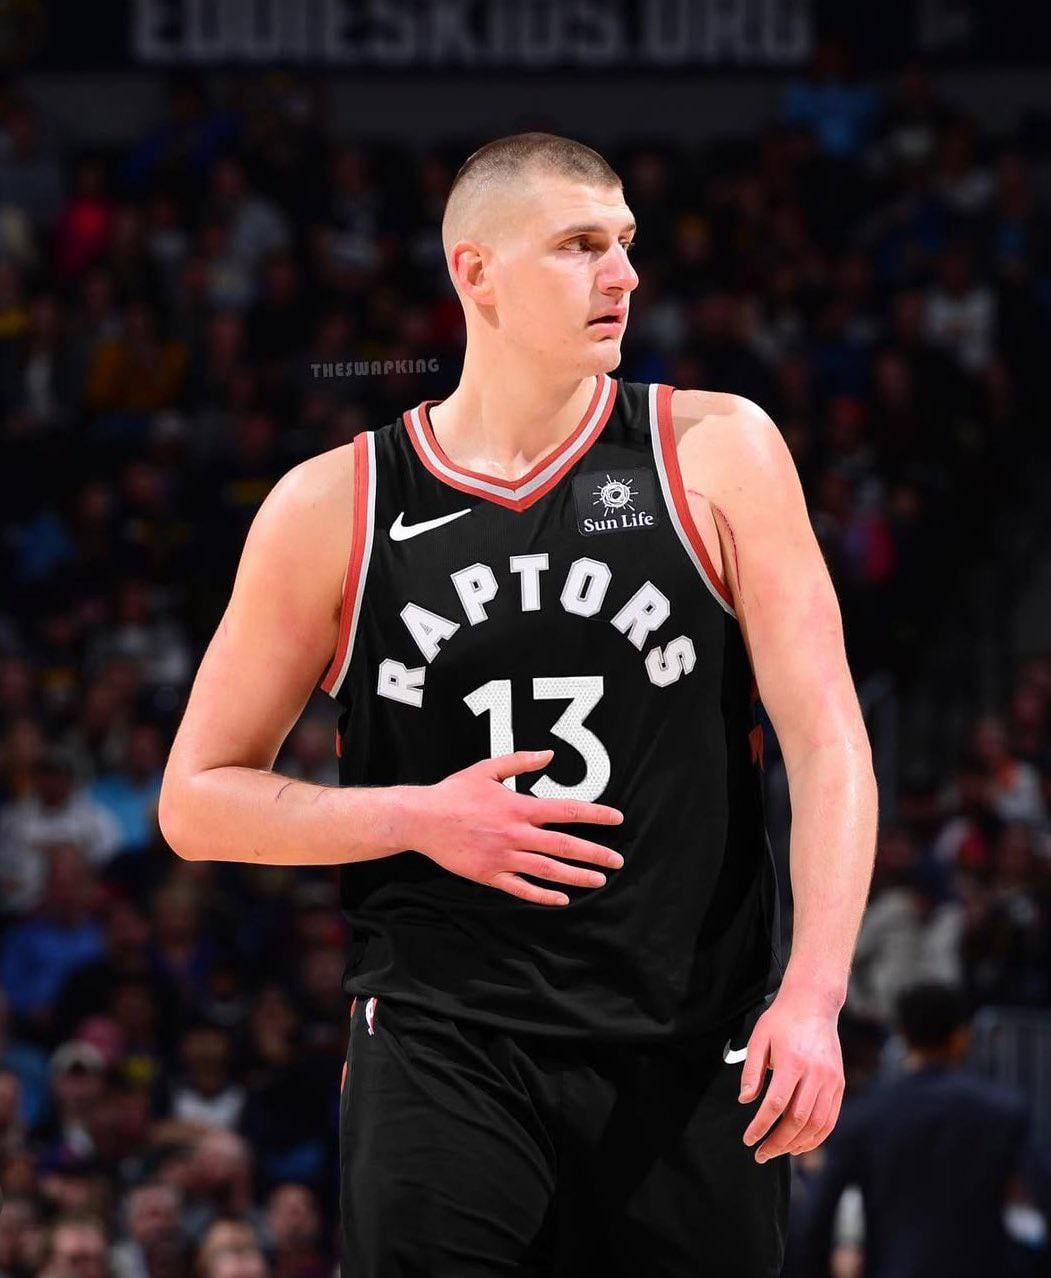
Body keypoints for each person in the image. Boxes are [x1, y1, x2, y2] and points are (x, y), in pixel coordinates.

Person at [159, 132, 878, 1276]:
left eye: (626, 243)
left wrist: (814, 994)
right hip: (442, 1044)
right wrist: (415, 816)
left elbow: (828, 741)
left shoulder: (716, 451)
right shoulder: (336, 504)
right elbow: (196, 800)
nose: (623, 274)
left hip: (686, 1042)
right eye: (580, 245)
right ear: (476, 272)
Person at [796, 981, 1051, 1277]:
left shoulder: (866, 1117)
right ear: (961, 1036)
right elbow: (1043, 1193)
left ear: (903, 1036)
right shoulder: (1004, 1111)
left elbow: (817, 1218)